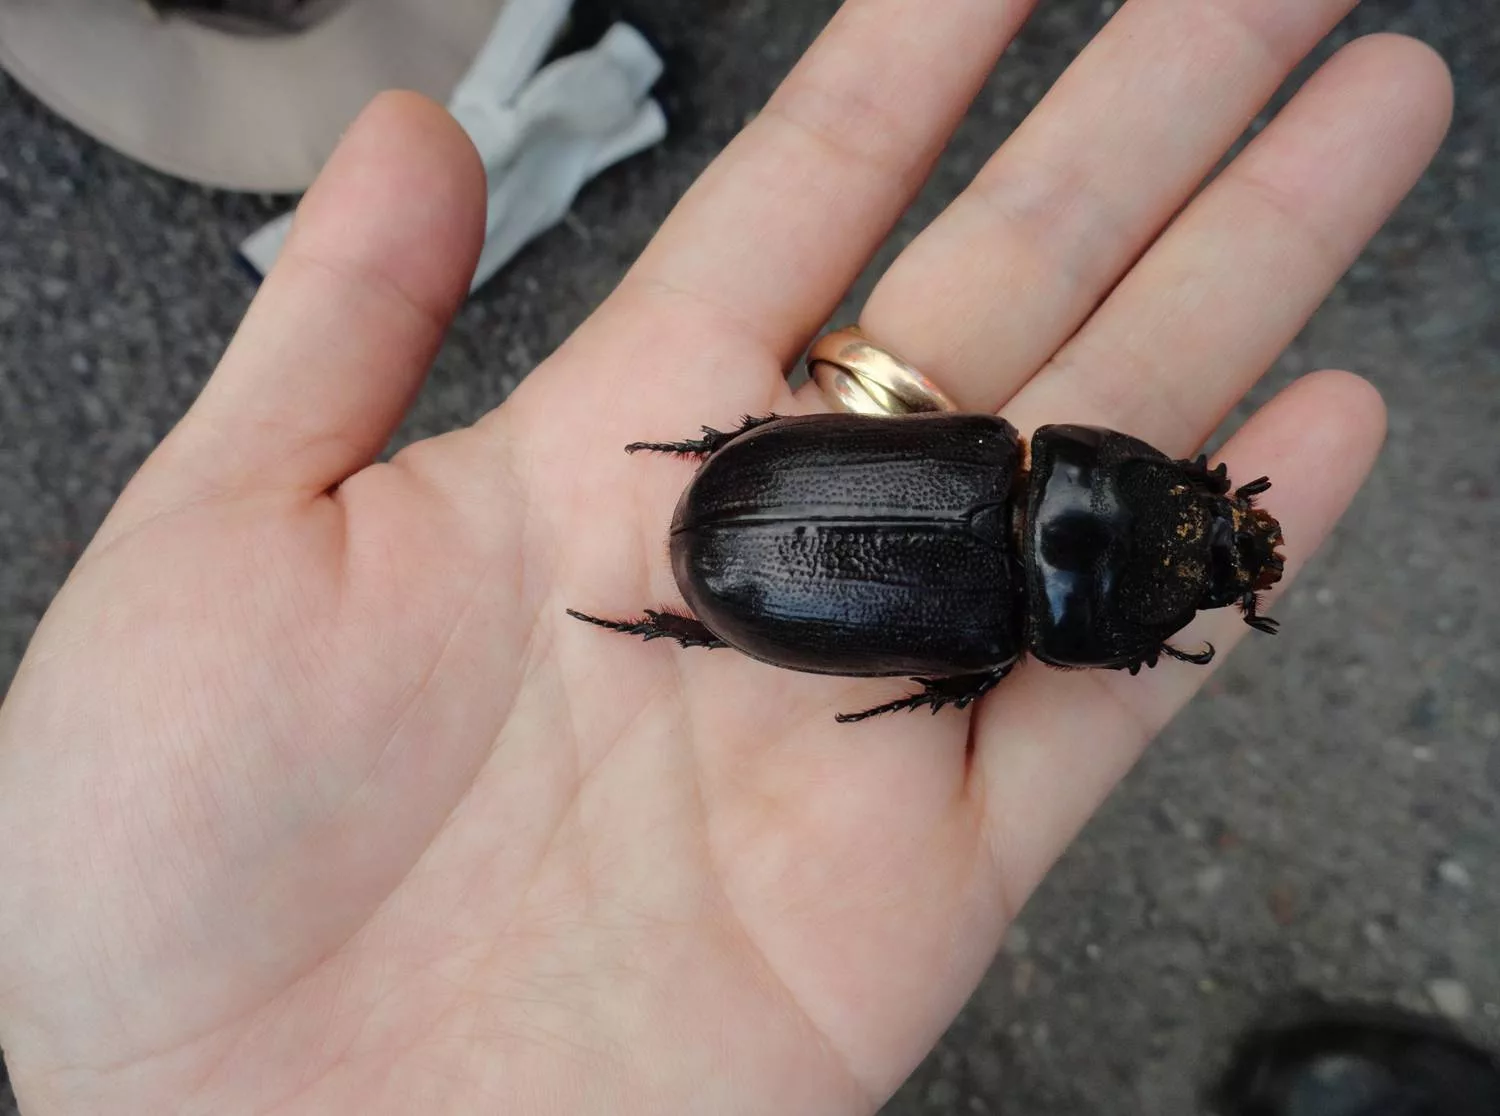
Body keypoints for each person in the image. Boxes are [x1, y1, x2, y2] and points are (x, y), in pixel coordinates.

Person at [0, 1, 1454, 1112]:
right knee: (885, 635)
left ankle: (678, 614)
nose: (1190, 522)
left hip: (762, 537)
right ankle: (678, 619)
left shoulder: (999, 463)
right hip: (760, 552)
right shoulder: (999, 619)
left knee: (826, 600)